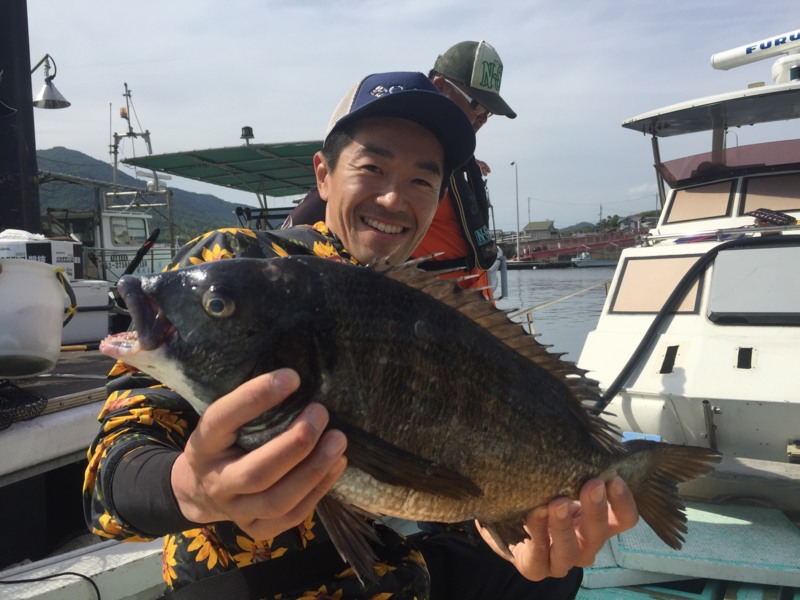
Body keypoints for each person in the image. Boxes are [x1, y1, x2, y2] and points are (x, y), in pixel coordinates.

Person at [83, 71, 639, 599]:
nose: (395, 199)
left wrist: (503, 521)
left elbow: (441, 456)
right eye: (372, 167)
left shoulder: (422, 306)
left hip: (388, 572)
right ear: (323, 174)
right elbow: (110, 475)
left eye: (422, 180)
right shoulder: (240, 265)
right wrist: (190, 490)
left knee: (547, 578)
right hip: (253, 588)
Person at [284, 40, 512, 301]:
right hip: (415, 317)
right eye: (478, 105)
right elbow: (313, 217)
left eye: (421, 181)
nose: (482, 117)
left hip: (472, 319)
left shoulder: (462, 163)